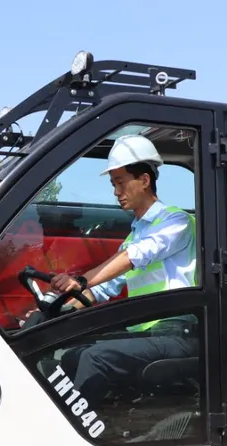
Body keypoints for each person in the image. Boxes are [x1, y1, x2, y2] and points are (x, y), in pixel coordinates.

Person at [48, 134, 199, 408]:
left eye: (120, 182)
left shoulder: (175, 221)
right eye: (113, 184)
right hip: (148, 333)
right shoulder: (133, 237)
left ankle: (77, 433)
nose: (116, 192)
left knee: (95, 357)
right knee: (72, 355)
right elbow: (103, 289)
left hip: (177, 333)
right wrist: (54, 308)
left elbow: (137, 257)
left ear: (144, 180)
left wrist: (80, 280)